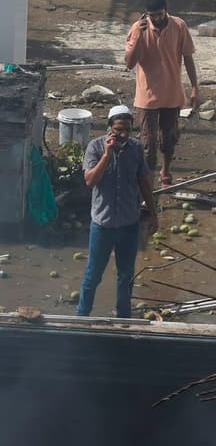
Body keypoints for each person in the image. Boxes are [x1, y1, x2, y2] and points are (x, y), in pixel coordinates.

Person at [78, 105, 158, 318]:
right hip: (102, 225)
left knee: (126, 275)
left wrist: (153, 213)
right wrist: (107, 155)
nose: (123, 134)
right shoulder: (95, 147)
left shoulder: (136, 148)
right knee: (93, 274)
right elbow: (89, 181)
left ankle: (124, 317)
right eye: (119, 129)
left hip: (129, 223)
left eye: (127, 130)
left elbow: (144, 181)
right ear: (109, 130)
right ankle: (81, 316)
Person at [125, 0, 199, 184]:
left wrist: (194, 88)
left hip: (172, 94)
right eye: (152, 15)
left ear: (166, 10)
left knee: (169, 138)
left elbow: (188, 58)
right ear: (146, 14)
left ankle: (165, 172)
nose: (157, 19)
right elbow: (129, 63)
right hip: (147, 96)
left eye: (160, 14)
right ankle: (147, 182)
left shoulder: (179, 25)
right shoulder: (137, 28)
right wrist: (139, 36)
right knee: (148, 144)